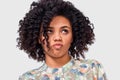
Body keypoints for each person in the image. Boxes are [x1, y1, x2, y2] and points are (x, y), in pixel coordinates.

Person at [17, 0, 107, 80]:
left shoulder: (92, 69)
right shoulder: (28, 78)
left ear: (73, 36)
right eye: (49, 31)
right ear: (39, 38)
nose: (57, 38)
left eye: (64, 31)